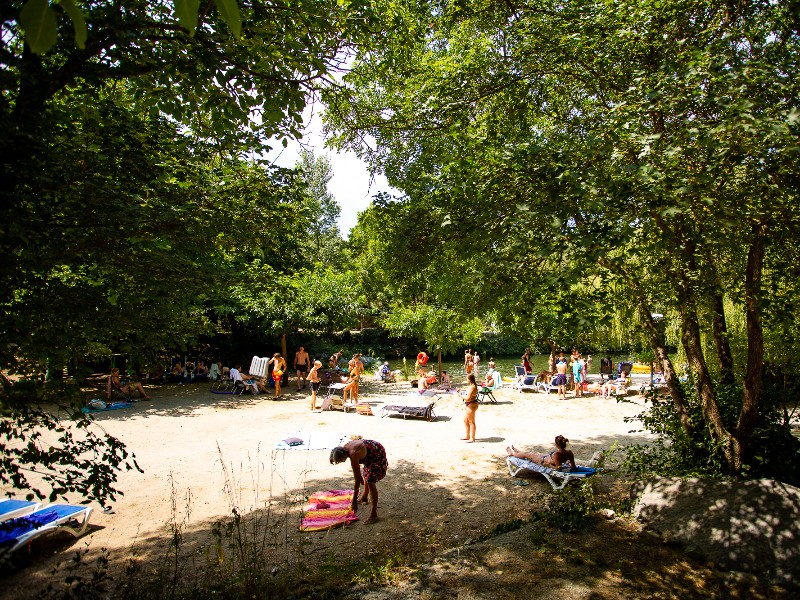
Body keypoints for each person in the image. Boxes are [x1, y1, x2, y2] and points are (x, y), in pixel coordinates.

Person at [330, 439, 388, 525]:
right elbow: (335, 452)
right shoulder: (344, 448)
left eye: (341, 460)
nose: (342, 462)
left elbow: (357, 480)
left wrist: (354, 501)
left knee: (370, 481)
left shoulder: (353, 454)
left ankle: (374, 515)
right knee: (366, 475)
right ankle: (364, 497)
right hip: (371, 450)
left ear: (343, 456)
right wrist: (331, 458)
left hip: (376, 453)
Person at [506, 435, 575, 469]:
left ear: (556, 445)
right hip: (548, 457)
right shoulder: (569, 452)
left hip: (543, 460)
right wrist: (568, 464)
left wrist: (548, 465)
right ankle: (519, 452)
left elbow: (559, 468)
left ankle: (512, 453)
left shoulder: (557, 454)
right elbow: (573, 466)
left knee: (528, 455)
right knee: (532, 453)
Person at [461, 373, 479, 443]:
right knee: (465, 420)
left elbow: (468, 398)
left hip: (472, 404)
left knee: (471, 422)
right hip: (469, 404)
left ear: (469, 379)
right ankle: (467, 436)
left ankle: (472, 438)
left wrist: (460, 395)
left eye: (467, 378)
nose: (466, 380)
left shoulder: (472, 387)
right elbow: (468, 394)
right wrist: (462, 391)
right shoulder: (471, 386)